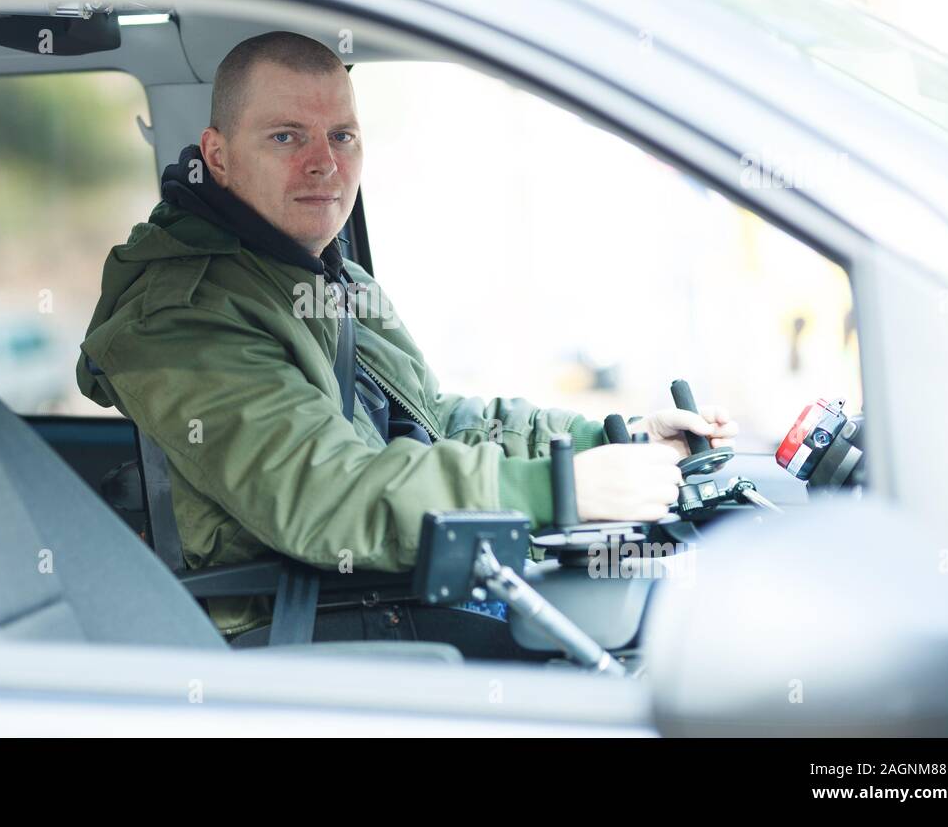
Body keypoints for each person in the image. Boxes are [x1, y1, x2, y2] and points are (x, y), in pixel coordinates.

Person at [76, 31, 736, 639]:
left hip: (391, 585)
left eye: (343, 136)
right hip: (305, 626)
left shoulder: (320, 271)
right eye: (286, 137)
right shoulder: (178, 318)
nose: (324, 165)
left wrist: (607, 441)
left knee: (673, 605)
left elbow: (432, 419)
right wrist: (559, 493)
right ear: (218, 157)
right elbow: (324, 495)